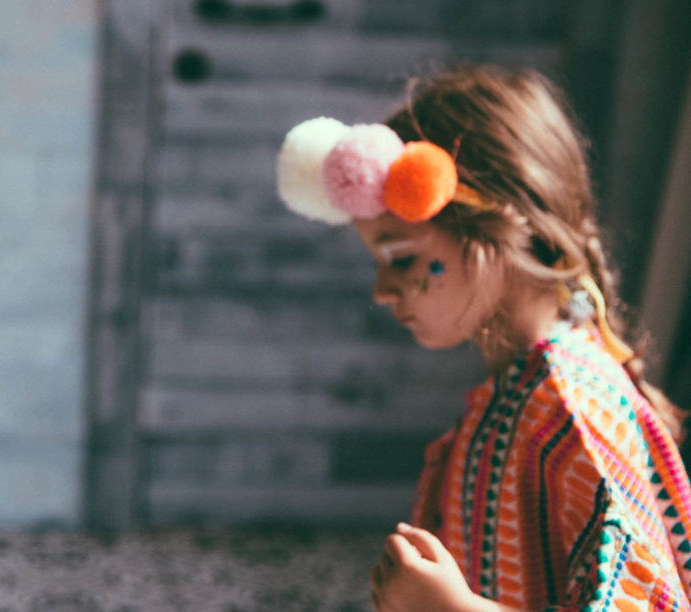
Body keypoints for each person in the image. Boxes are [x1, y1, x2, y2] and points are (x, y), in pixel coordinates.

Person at [275, 65, 691, 611]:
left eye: (403, 258)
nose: (382, 290)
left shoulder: (571, 408)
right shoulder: (519, 393)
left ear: (498, 229)